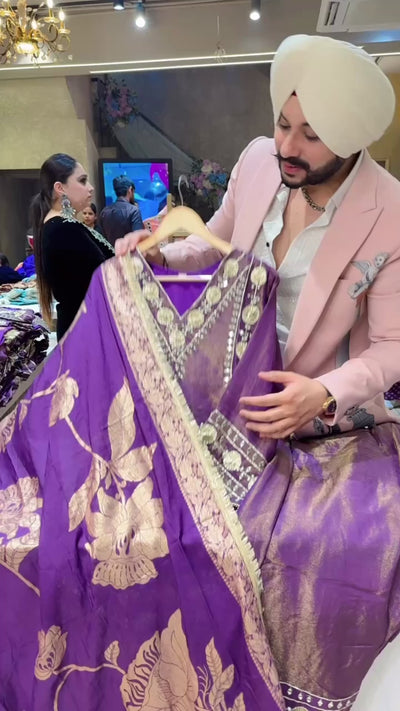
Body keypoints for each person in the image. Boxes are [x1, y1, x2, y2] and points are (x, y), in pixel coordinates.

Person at [115, 34, 400, 711]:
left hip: (322, 420)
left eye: (311, 135)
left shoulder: (390, 213)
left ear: (351, 140)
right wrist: (160, 252)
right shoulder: (255, 162)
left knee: (325, 557)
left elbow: (392, 346)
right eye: (283, 124)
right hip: (226, 389)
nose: (288, 146)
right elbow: (216, 239)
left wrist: (323, 392)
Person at [31, 153, 114, 341]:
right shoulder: (62, 229)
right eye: (82, 181)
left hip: (85, 328)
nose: (90, 187)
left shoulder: (65, 226)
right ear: (60, 188)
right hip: (84, 333)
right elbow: (102, 279)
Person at [99, 176, 144, 246]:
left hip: (110, 252)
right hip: (128, 252)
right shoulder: (134, 211)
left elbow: (103, 239)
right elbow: (138, 240)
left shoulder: (104, 212)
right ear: (130, 190)